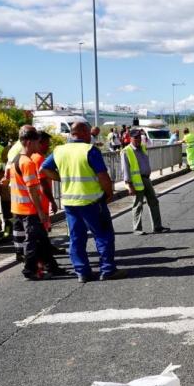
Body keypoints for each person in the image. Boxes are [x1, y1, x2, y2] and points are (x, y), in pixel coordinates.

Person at [40, 120, 126, 282]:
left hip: (70, 203)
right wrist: (109, 193)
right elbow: (103, 176)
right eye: (89, 133)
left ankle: (82, 272)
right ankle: (107, 270)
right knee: (103, 235)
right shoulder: (89, 150)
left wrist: (62, 179)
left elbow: (44, 169)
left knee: (76, 238)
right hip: (92, 201)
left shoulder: (59, 150)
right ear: (85, 133)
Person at [10, 126, 66, 281]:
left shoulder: (16, 159)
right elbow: (32, 190)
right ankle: (30, 270)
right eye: (36, 142)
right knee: (33, 241)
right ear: (28, 142)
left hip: (19, 208)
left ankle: (52, 267)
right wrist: (41, 211)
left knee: (42, 240)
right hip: (30, 210)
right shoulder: (27, 163)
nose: (39, 145)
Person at [122, 130, 169, 236]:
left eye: (139, 138)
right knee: (138, 205)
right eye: (135, 138)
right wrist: (129, 185)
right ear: (131, 139)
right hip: (136, 181)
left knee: (154, 202)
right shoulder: (126, 151)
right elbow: (125, 169)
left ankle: (157, 227)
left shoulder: (142, 147)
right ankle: (137, 228)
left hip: (146, 179)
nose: (138, 140)